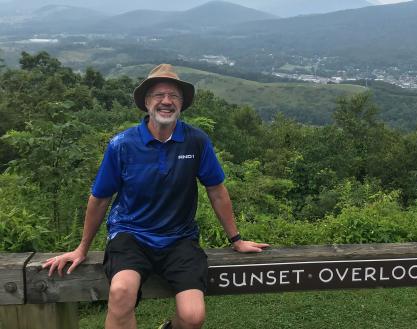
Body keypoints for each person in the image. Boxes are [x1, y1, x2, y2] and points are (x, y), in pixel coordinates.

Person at [42, 64, 269, 329]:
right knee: (120, 294)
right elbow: (100, 198)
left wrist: (236, 239)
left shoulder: (196, 141)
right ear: (146, 102)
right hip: (130, 234)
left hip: (180, 237)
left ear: (181, 104)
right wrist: (82, 248)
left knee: (193, 316)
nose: (166, 101)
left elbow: (216, 190)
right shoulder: (122, 144)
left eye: (174, 95)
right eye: (158, 95)